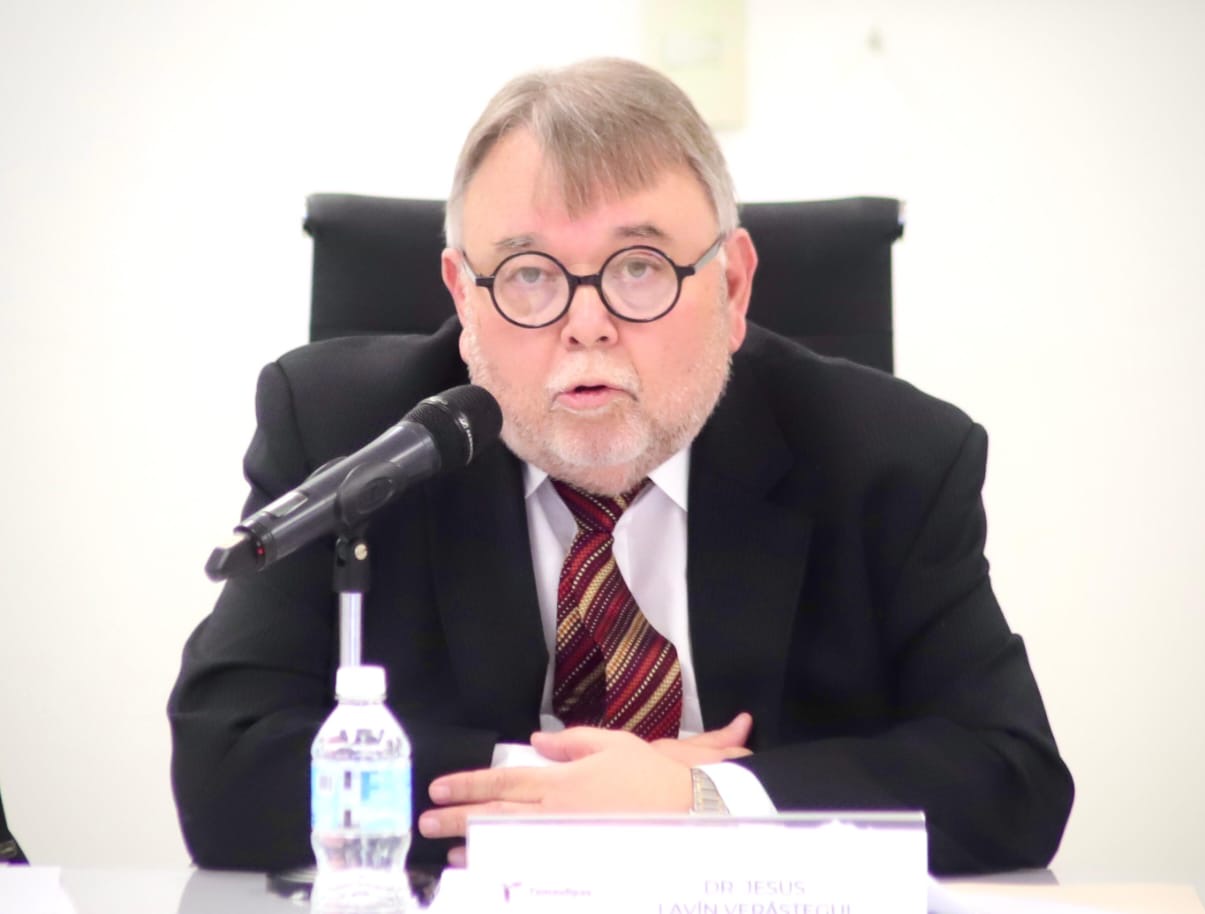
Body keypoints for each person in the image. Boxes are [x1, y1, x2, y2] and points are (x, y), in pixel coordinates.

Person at [168, 57, 1073, 876]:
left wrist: (700, 801)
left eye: (639, 268)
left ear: (732, 287)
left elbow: (1011, 777)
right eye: (528, 274)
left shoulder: (889, 457)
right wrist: (557, 795)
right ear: (463, 299)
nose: (586, 324)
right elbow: (224, 765)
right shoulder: (348, 436)